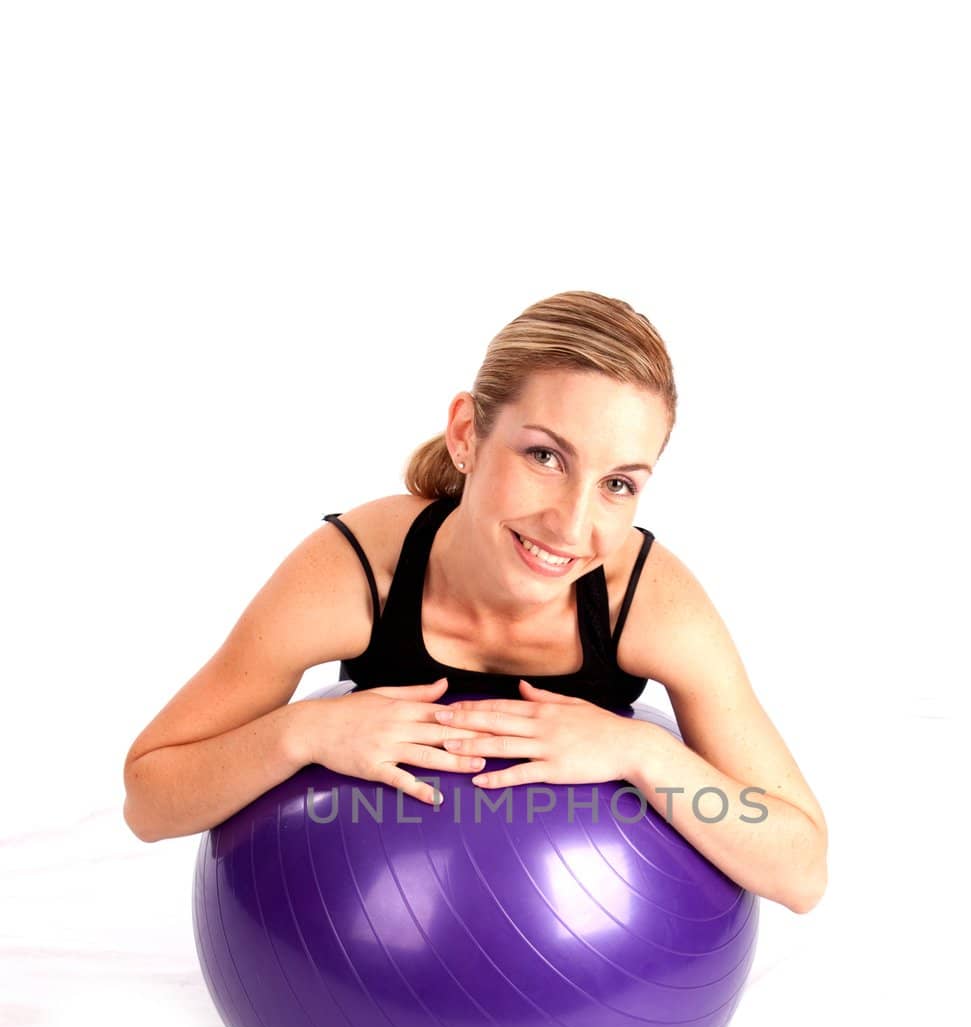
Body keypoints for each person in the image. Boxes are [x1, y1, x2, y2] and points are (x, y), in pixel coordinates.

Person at [122, 290, 828, 912]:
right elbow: (149, 800)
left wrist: (643, 753)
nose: (571, 525)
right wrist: (300, 734)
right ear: (467, 433)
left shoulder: (647, 602)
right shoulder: (360, 570)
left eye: (618, 484)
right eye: (545, 457)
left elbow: (802, 870)